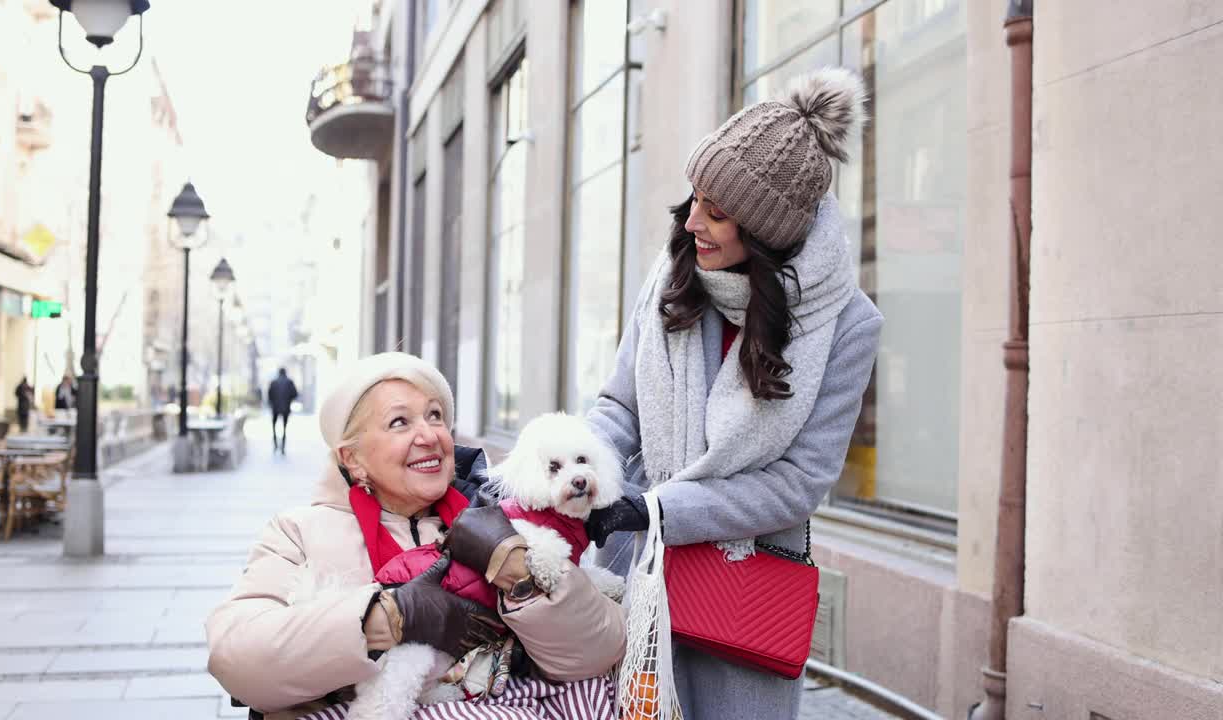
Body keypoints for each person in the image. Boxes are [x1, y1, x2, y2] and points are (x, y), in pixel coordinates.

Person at [585, 67, 883, 720]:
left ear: (768, 230)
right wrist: (578, 470)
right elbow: (618, 408)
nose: (692, 222)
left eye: (717, 213)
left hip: (741, 587)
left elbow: (801, 482)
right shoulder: (673, 278)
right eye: (695, 199)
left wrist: (659, 510)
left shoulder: (847, 325)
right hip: (634, 572)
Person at [207, 352, 625, 720]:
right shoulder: (299, 532)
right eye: (399, 422)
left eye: (435, 416)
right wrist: (390, 617)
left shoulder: (505, 518)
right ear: (352, 458)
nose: (428, 436)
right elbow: (238, 659)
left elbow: (597, 653)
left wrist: (514, 563)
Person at [266, 368, 298, 454]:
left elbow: (269, 396)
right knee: (284, 428)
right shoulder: (289, 382)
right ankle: (283, 446)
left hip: (275, 408)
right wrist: (288, 399)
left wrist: (273, 403)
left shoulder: (274, 382)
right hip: (286, 408)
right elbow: (295, 394)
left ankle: (276, 444)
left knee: (274, 426)